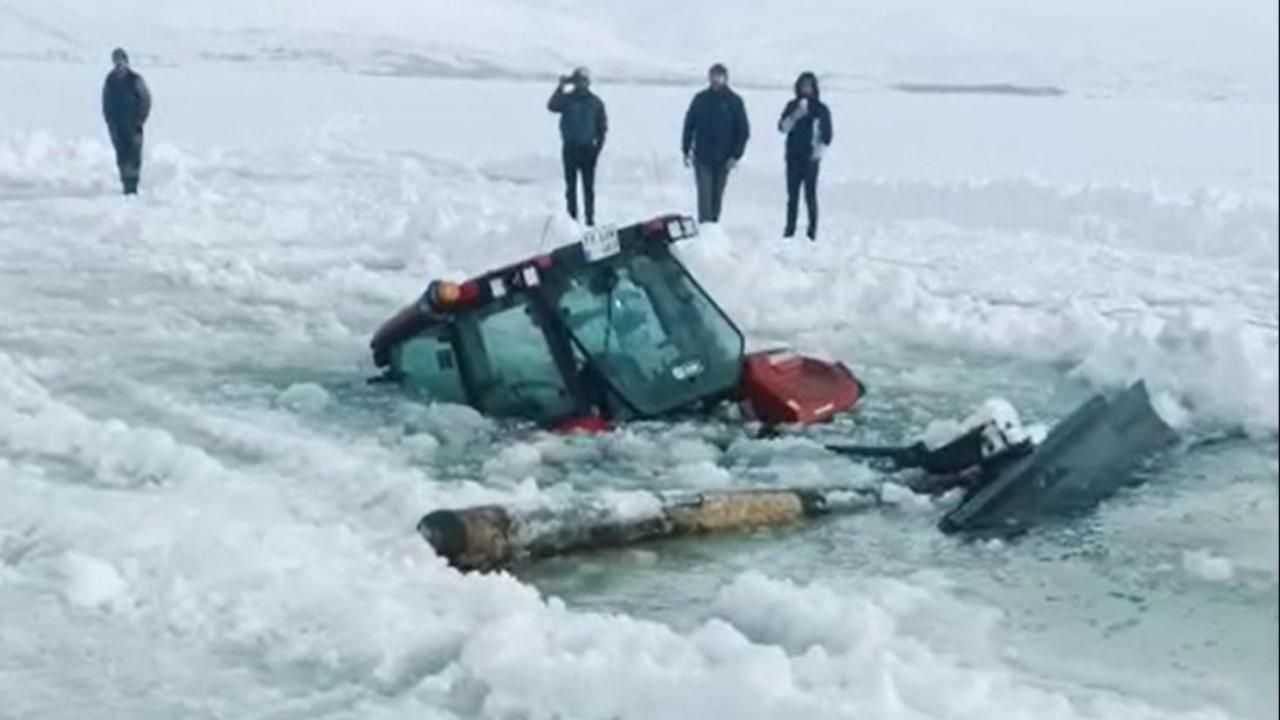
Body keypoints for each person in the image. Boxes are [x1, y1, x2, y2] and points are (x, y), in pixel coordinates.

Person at [682, 63, 749, 224]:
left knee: (716, 198)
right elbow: (689, 125)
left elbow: (743, 131)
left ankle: (713, 228)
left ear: (725, 79)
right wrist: (686, 149)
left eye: (719, 77)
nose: (716, 80)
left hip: (724, 159)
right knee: (704, 196)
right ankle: (705, 228)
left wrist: (736, 155)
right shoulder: (700, 99)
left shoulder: (734, 102)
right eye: (713, 76)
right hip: (702, 156)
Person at [547, 66, 607, 226]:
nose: (581, 83)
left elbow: (602, 127)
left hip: (588, 150)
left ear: (588, 82)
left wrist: (597, 148)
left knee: (588, 187)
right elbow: (552, 106)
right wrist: (560, 88)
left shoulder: (595, 103)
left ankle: (589, 219)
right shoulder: (566, 99)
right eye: (578, 80)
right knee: (571, 187)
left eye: (584, 80)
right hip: (570, 148)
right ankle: (572, 219)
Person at [777, 71, 832, 240]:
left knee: (810, 195)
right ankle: (790, 229)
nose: (806, 89)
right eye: (803, 86)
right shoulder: (792, 106)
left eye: (809, 86)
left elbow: (827, 135)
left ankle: (812, 231)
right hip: (793, 156)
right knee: (792, 196)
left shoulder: (821, 109)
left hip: (811, 158)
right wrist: (795, 116)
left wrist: (818, 151)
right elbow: (782, 128)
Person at [101, 47, 152, 195]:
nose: (119, 64)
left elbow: (146, 99)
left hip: (133, 125)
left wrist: (140, 119)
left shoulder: (135, 80)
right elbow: (106, 101)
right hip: (117, 126)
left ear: (126, 61)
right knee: (121, 155)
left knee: (134, 155)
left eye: (121, 61)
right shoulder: (110, 80)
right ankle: (125, 184)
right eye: (116, 61)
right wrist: (109, 120)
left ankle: (133, 187)